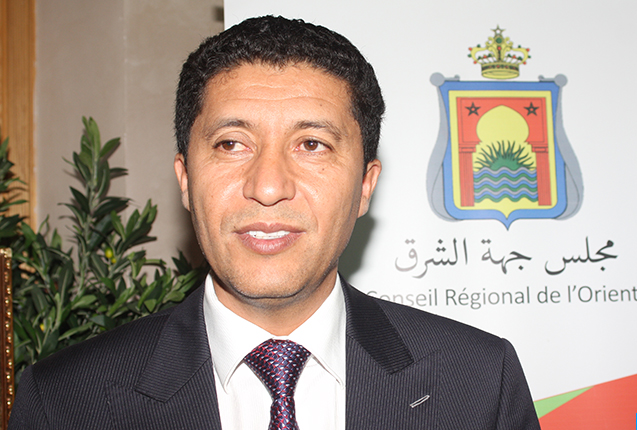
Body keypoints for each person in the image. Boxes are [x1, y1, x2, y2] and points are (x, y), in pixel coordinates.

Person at [9, 16, 541, 430]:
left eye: (312, 144)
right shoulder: (65, 403)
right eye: (231, 144)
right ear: (186, 180)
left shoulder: (477, 383)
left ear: (365, 185)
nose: (267, 186)